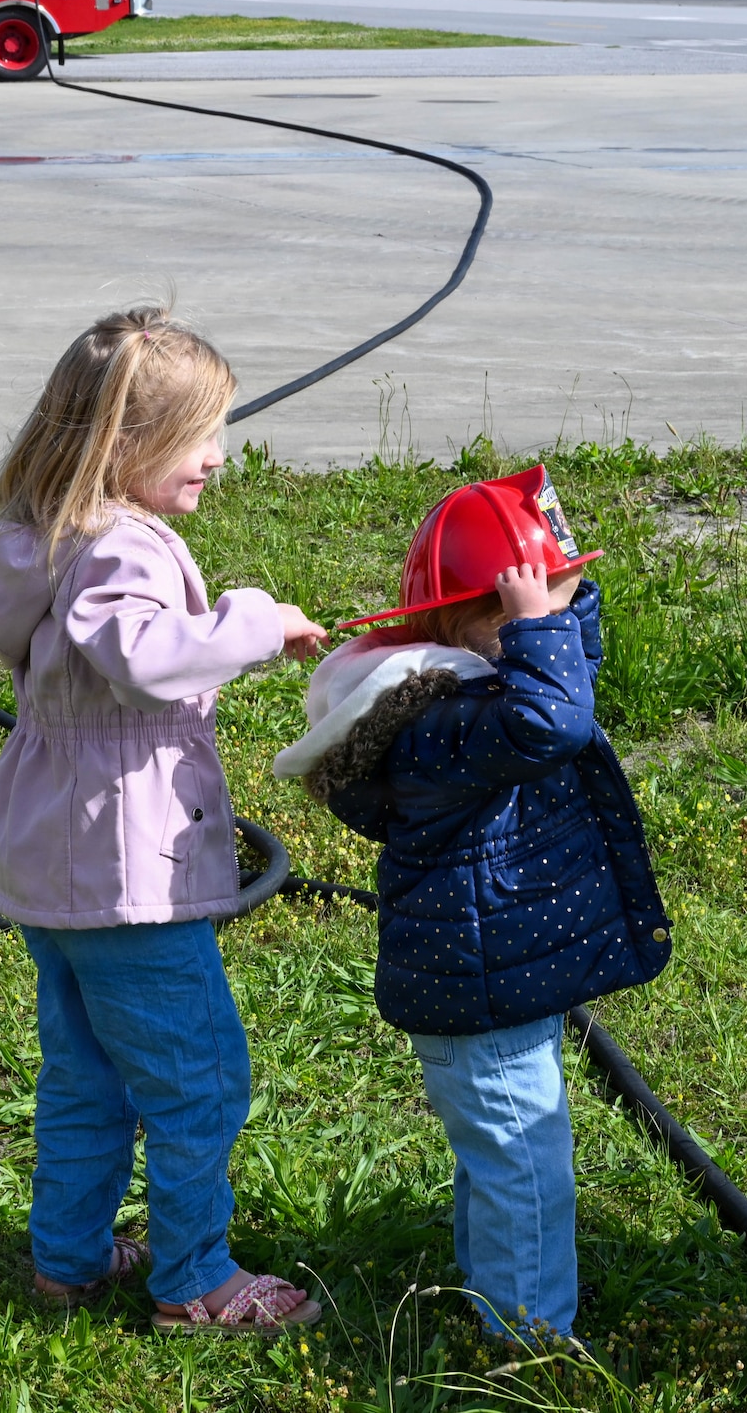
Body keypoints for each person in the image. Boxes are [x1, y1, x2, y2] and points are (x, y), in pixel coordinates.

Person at [0, 306, 328, 1334]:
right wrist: (252, 622)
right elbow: (144, 655)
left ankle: (70, 1257)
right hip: (127, 875)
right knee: (198, 1078)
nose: (219, 457)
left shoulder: (41, 532)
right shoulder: (120, 548)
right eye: (200, 434)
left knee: (86, 1070)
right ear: (124, 445)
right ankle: (194, 1279)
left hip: (55, 860)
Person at [273, 465, 672, 1346]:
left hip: (490, 980)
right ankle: (526, 1340)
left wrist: (552, 602)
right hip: (478, 992)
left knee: (503, 1159)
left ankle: (499, 1294)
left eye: (565, 612)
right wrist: (542, 625)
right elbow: (557, 721)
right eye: (540, 618)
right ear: (472, 623)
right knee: (524, 1170)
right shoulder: (442, 720)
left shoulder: (481, 677)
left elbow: (571, 678)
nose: (559, 631)